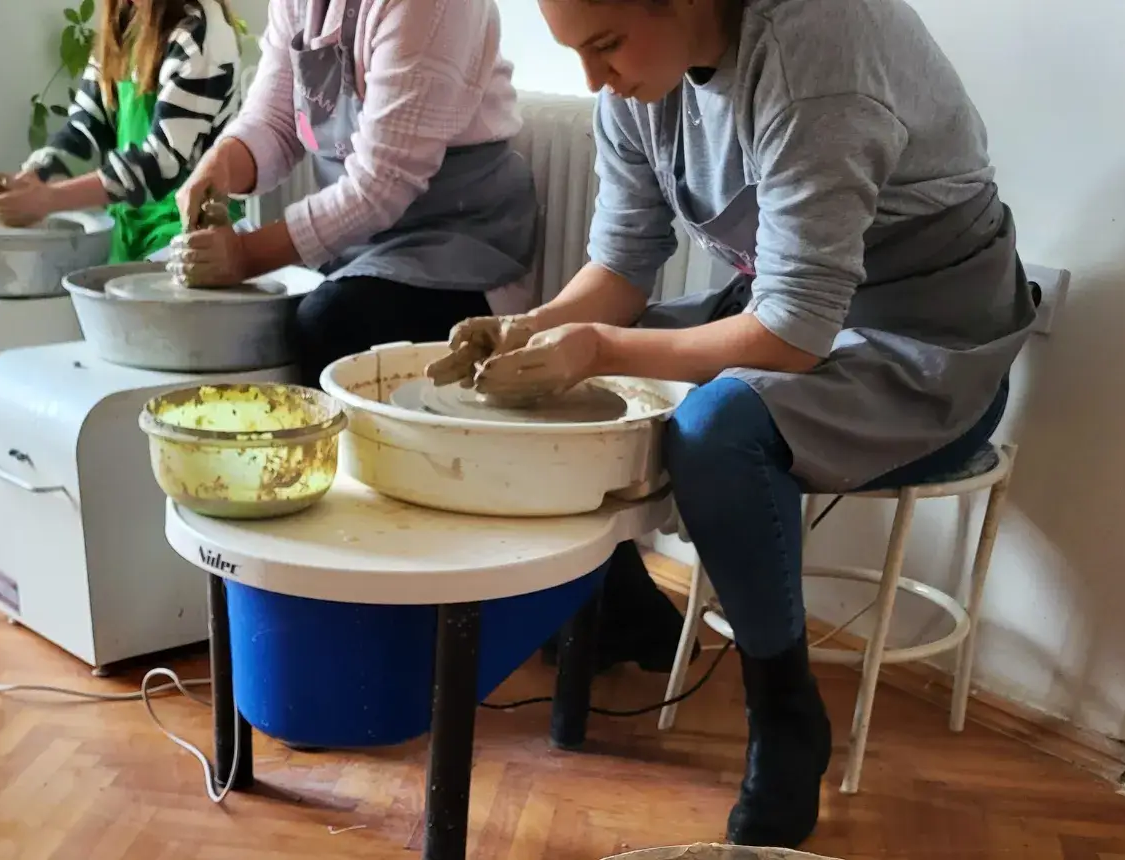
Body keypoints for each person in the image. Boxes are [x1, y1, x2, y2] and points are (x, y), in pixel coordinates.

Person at [429, 0, 1036, 848]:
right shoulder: (640, 83)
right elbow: (621, 268)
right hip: (791, 309)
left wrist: (597, 347)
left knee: (715, 429)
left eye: (606, 45)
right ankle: (618, 610)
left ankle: (784, 718)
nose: (593, 79)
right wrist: (530, 329)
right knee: (561, 383)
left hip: (931, 340)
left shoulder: (818, 47)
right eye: (578, 52)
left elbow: (791, 333)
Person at [164, 0, 540, 388]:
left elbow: (382, 182)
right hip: (357, 239)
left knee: (329, 321)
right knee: (190, 294)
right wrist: (220, 165)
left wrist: (245, 256)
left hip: (457, 244)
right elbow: (275, 120)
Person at [0, 0, 245, 262]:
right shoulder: (125, 22)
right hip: (128, 227)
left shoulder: (200, 33)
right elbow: (86, 126)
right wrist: (34, 176)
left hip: (190, 230)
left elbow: (160, 163)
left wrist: (48, 199)